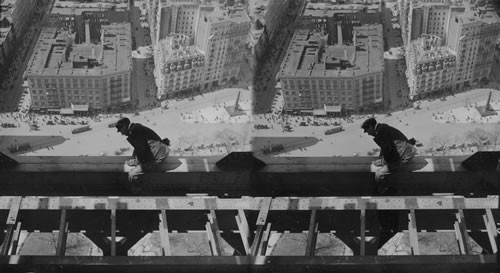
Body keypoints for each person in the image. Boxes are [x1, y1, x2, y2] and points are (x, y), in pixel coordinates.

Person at [361, 117, 417, 193]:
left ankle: (383, 192)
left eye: (367, 130)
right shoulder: (383, 128)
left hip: (404, 155)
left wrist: (383, 162)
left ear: (371, 127)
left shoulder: (381, 131)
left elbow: (388, 149)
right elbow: (385, 147)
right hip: (407, 151)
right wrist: (381, 159)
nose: (367, 133)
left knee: (379, 173)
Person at [115, 117, 170, 191]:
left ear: (124, 126)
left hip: (157, 156)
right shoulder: (136, 128)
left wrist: (135, 162)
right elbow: (138, 148)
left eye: (120, 130)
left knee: (133, 174)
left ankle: (138, 192)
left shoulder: (135, 131)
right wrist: (134, 159)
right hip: (160, 152)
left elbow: (141, 150)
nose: (121, 133)